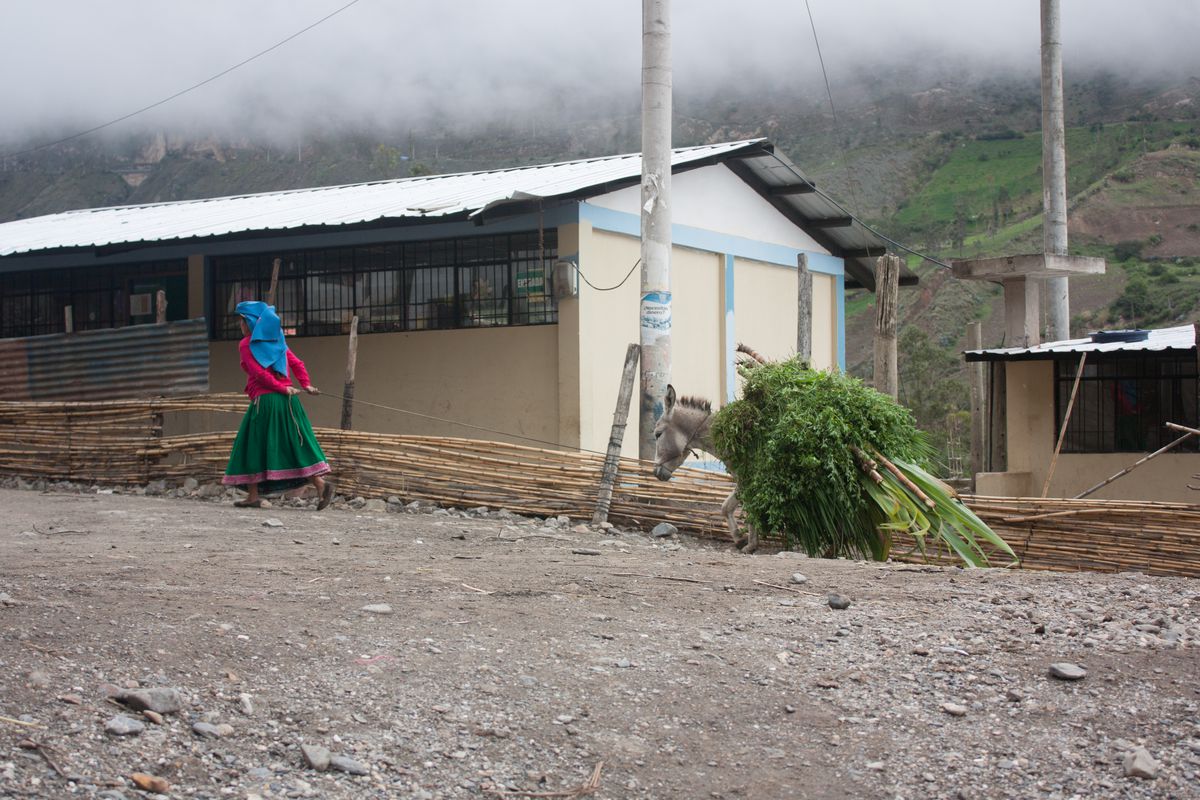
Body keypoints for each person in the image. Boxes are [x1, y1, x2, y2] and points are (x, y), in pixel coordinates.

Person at [222, 301, 335, 509]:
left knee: (252, 445)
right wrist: (306, 384)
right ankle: (320, 484)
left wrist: (282, 388)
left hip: (266, 401)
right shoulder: (278, 341)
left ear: (249, 323)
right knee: (294, 444)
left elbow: (258, 373)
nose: (241, 325)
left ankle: (253, 496)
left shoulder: (246, 344)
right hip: (289, 402)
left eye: (242, 321)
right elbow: (296, 363)